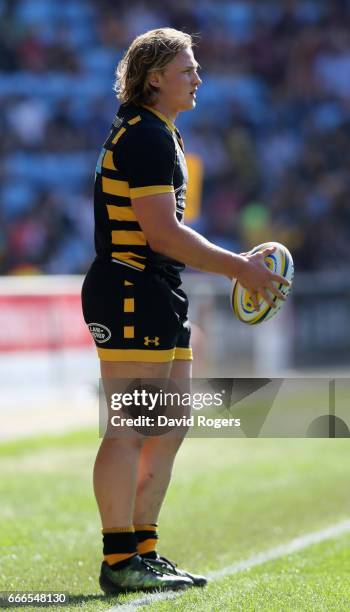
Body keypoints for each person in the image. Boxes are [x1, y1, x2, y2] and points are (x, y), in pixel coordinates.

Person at [81, 27, 289, 596]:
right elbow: (162, 233)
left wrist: (235, 263)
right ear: (154, 79)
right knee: (130, 428)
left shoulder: (158, 132)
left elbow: (167, 240)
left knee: (169, 423)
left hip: (154, 288)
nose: (198, 77)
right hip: (130, 287)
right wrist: (238, 268)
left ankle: (142, 551)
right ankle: (119, 557)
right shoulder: (145, 137)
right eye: (187, 69)